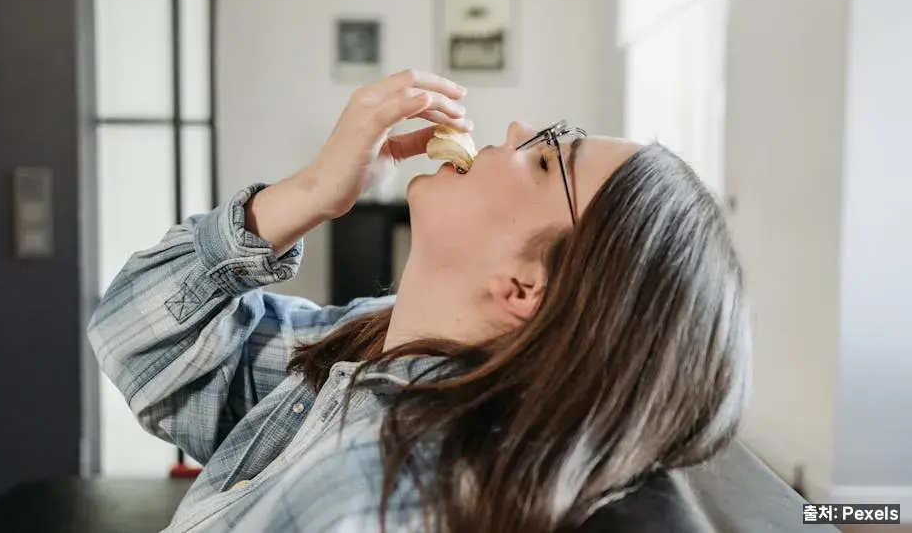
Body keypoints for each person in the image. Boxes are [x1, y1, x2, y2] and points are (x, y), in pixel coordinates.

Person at [88, 69, 750, 533]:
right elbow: (134, 336)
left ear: (526, 287)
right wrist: (312, 192)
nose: (519, 126)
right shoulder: (365, 346)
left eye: (548, 161)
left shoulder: (385, 500)